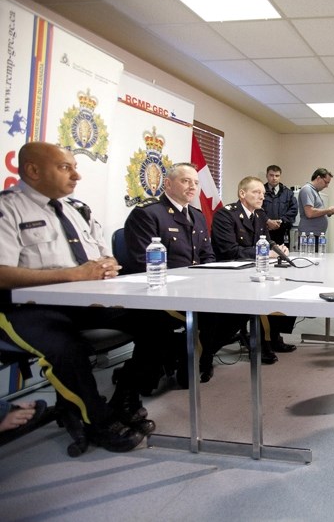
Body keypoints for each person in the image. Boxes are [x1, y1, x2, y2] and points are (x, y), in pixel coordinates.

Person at [0, 142, 148, 452]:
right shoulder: (8, 208)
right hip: (26, 307)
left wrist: (107, 265)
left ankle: (125, 396)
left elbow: (101, 254)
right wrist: (73, 274)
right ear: (33, 170)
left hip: (84, 300)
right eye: (66, 167)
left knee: (154, 321)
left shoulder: (76, 209)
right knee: (66, 349)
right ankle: (98, 421)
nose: (76, 175)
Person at [124, 165, 234, 386]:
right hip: (163, 295)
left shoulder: (197, 216)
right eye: (185, 181)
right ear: (168, 184)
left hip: (196, 290)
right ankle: (182, 360)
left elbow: (207, 255)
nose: (192, 186)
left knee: (234, 311)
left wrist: (213, 281)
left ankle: (198, 359)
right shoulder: (147, 213)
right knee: (214, 315)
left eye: (195, 182)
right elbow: (141, 264)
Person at [211, 176, 298, 364]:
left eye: (263, 194)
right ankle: (260, 343)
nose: (261, 197)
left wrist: (278, 249)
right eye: (256, 192)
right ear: (242, 194)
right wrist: (266, 254)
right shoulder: (225, 215)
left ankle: (273, 336)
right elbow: (230, 251)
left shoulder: (259, 215)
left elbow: (267, 241)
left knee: (287, 287)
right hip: (230, 275)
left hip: (255, 269)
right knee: (263, 296)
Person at [297, 168, 334, 247]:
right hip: (309, 235)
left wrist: (330, 212)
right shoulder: (307, 189)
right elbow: (310, 213)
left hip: (315, 235)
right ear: (318, 178)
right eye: (326, 182)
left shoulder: (315, 191)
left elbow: (316, 211)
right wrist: (328, 210)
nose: (327, 186)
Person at [261, 164, 297, 247]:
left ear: (280, 176)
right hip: (264, 232)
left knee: (283, 255)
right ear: (267, 176)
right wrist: (268, 221)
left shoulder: (288, 193)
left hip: (282, 231)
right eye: (271, 175)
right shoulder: (260, 191)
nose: (274, 178)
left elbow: (293, 210)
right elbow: (257, 209)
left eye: (277, 175)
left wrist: (280, 221)